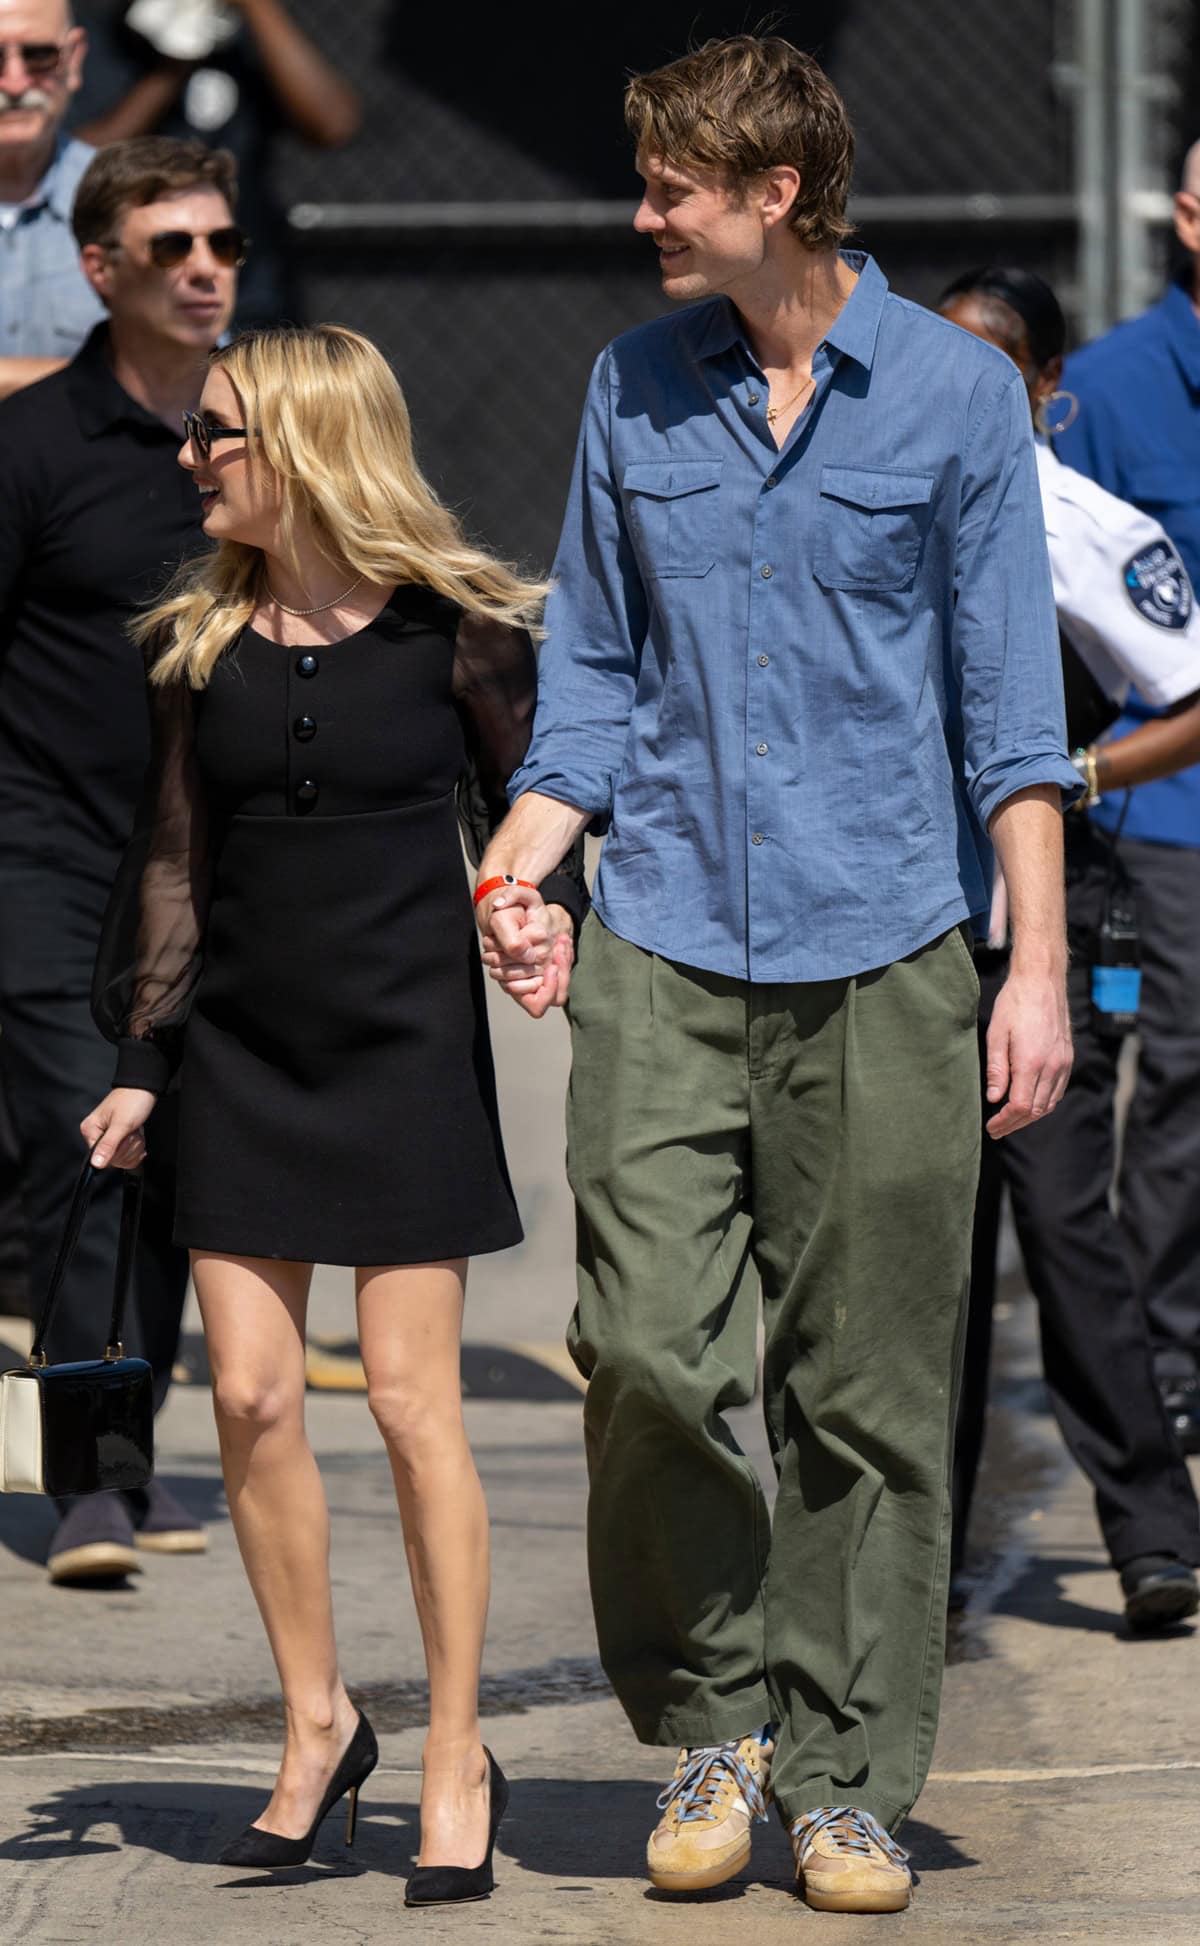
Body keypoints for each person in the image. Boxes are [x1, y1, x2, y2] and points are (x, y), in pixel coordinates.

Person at [470, 33, 1080, 1919]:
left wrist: (1031, 965)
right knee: (643, 1346)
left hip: (893, 950)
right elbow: (588, 684)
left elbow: (1011, 716)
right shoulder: (632, 388)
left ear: (781, 195)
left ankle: (843, 1778)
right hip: (662, 938)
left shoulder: (961, 399)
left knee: (871, 1395)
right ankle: (714, 1716)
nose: (642, 215)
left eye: (672, 186)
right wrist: (520, 860)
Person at [81, 323, 583, 1897]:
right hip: (242, 1054)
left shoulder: (461, 631)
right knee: (245, 1395)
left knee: (418, 1408)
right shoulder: (196, 638)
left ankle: (451, 1749)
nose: (191, 456)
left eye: (217, 435)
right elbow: (173, 859)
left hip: (403, 1056)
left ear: (299, 444)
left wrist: (524, 905)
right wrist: (141, 1059)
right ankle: (316, 1723)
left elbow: (535, 814)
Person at [939, 266, 1200, 1630]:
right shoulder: (882, 496)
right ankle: (912, 1556)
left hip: (1036, 931)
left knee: (1060, 1219)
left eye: (999, 371)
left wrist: (1074, 775)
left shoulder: (1082, 525)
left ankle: (1154, 1524)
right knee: (925, 1249)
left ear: (1047, 392)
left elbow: (1190, 689)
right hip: (906, 935)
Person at [0, 134, 241, 1582]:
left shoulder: (260, 436)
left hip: (205, 865)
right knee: (84, 1143)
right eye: (174, 248)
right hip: (42, 847)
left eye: (222, 244)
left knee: (173, 1163)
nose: (208, 269)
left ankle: (122, 1440)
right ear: (100, 269)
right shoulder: (32, 451)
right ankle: (94, 1469)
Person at [1053, 141, 1200, 1451]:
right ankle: (1164, 1351)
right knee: (1181, 1078)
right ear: (1189, 216)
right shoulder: (1099, 395)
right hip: (1167, 809)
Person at [72, 0, 361, 326]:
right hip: (141, 301)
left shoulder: (243, 44)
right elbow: (80, 161)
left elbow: (333, 124)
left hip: (253, 292)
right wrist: (174, 66)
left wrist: (257, 8)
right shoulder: (100, 40)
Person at [0, 0, 105, 397]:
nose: (14, 83)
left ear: (74, 59)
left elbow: (192, 371)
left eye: (40, 56)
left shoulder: (135, 204)